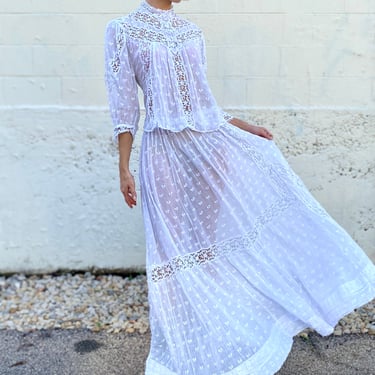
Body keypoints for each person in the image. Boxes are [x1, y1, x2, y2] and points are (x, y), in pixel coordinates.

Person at [104, 1, 375, 373]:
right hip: (163, 152)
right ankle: (188, 342)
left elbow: (204, 102)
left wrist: (245, 128)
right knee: (174, 248)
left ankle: (224, 330)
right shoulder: (123, 30)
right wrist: (123, 167)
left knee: (213, 244)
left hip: (210, 147)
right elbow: (123, 106)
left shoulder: (190, 32)